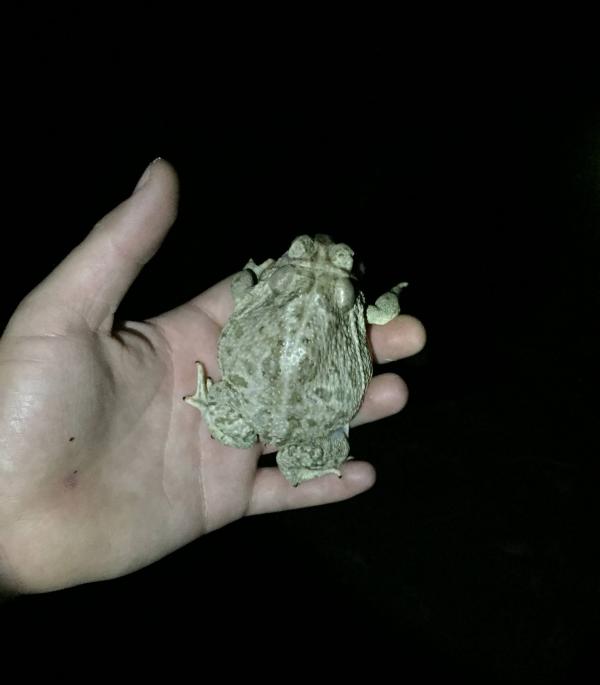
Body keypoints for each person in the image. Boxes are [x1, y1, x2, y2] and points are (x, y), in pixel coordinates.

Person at [0, 159, 426, 595]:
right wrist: (392, 294)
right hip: (314, 416)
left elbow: (242, 289)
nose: (320, 247)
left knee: (237, 408)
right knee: (317, 444)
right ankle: (315, 458)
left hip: (249, 398)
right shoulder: (350, 301)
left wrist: (254, 275)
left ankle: (215, 406)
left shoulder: (277, 282)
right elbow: (383, 314)